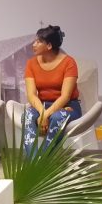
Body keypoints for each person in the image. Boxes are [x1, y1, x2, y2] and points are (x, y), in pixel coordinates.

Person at [23, 25, 82, 155]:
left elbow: (65, 96)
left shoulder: (69, 62)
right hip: (42, 106)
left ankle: (44, 160)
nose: (33, 44)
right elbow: (31, 95)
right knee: (28, 115)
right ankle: (33, 160)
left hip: (67, 106)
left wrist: (46, 115)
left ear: (49, 46)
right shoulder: (31, 63)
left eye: (38, 42)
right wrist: (43, 113)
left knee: (57, 117)